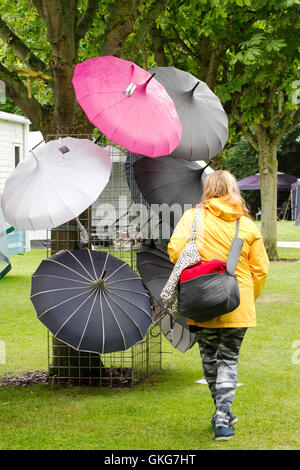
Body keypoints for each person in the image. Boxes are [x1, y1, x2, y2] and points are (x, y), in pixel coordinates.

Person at [167, 170, 269, 441]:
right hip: (238, 300)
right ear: (233, 190)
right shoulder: (246, 225)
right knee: (229, 358)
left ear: (208, 189)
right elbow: (261, 269)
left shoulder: (193, 217)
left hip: (202, 299)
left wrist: (200, 264)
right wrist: (247, 297)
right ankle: (223, 416)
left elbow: (175, 250)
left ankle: (222, 414)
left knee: (210, 357)